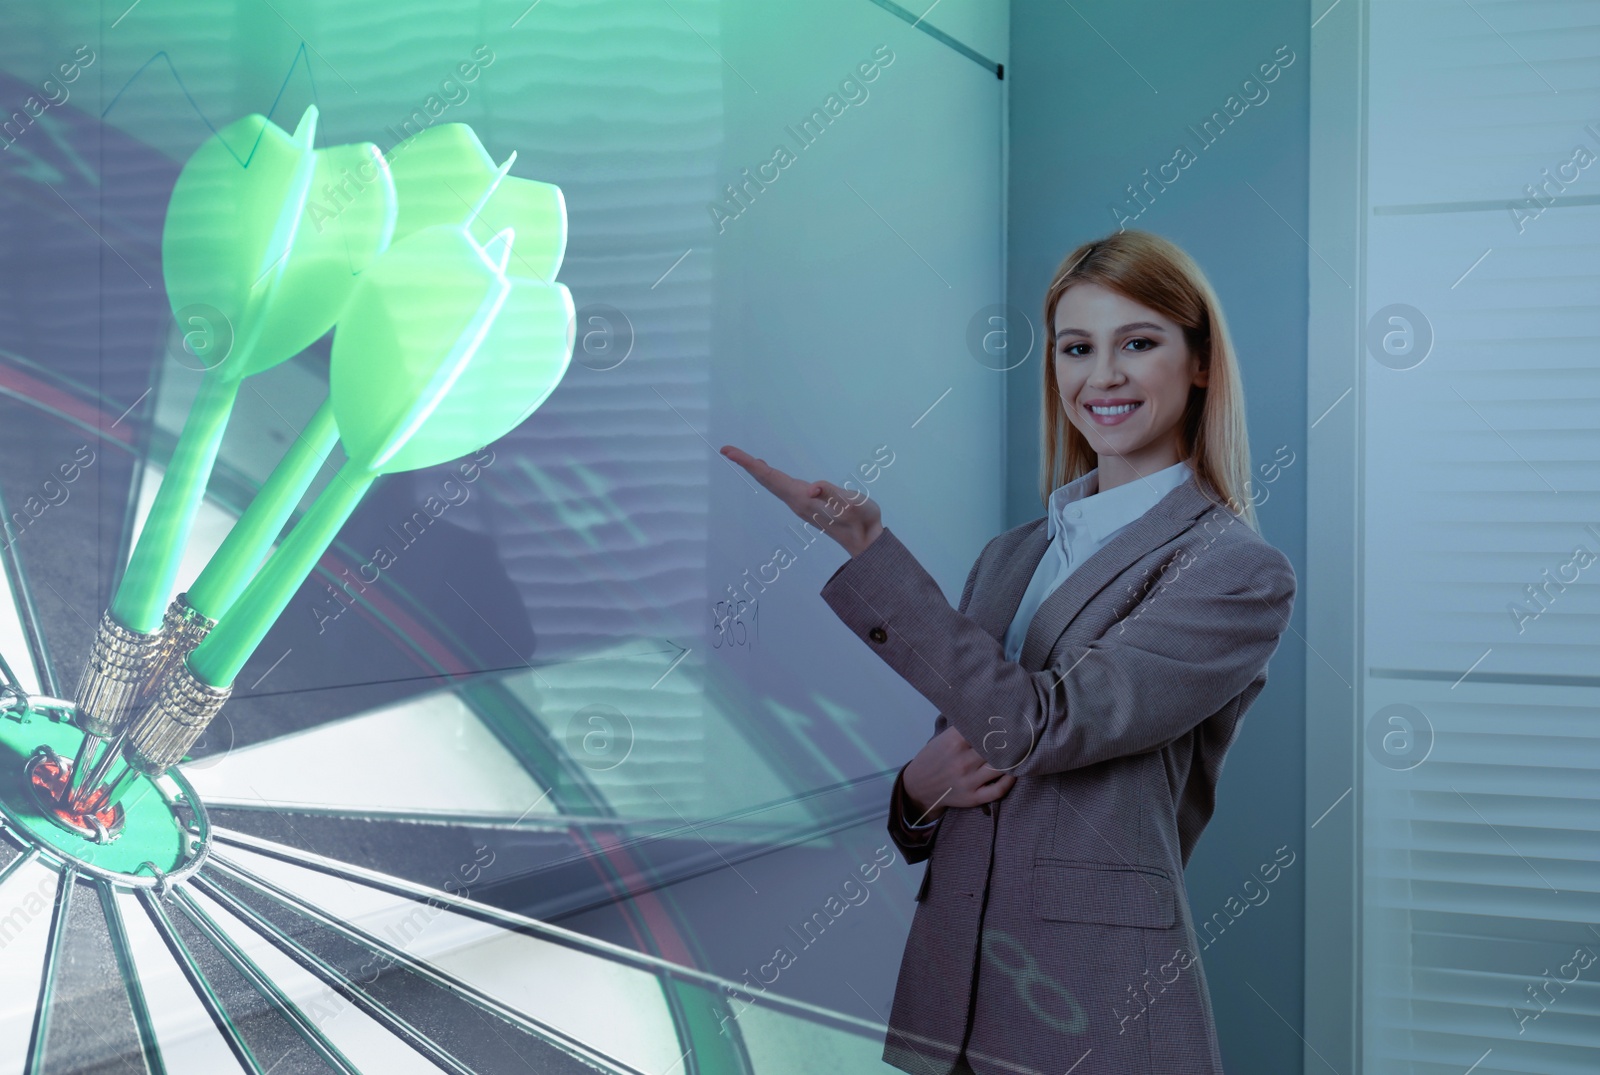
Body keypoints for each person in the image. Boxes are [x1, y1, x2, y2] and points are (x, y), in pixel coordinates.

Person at [721, 229, 1297, 1075]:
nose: (1102, 375)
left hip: (1097, 1008)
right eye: (1077, 348)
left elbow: (1039, 729)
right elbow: (968, 764)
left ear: (1201, 362)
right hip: (955, 998)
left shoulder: (1236, 573)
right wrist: (917, 790)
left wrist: (868, 547)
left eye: (1137, 343)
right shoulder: (1010, 555)